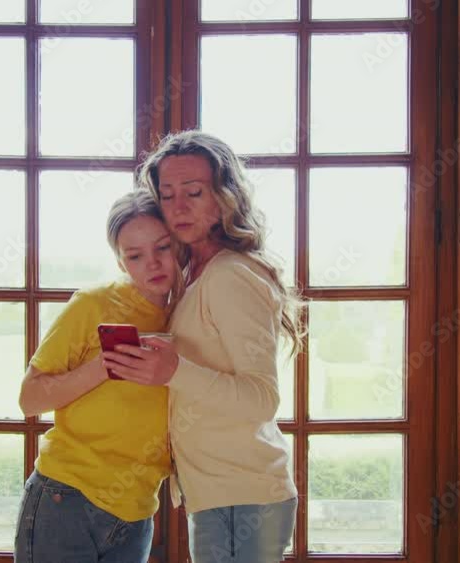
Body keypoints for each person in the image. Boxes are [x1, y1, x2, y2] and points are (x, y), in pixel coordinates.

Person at [102, 130, 302, 563]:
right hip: (218, 494)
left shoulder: (230, 275)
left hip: (244, 498)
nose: (178, 207)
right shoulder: (191, 273)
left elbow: (262, 399)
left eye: (193, 192)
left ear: (225, 196)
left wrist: (174, 371)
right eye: (167, 195)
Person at [14, 190, 177, 563]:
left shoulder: (189, 314)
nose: (152, 263)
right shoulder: (92, 304)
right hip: (65, 499)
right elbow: (29, 399)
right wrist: (103, 367)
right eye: (135, 256)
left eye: (163, 247)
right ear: (120, 261)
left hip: (138, 512)